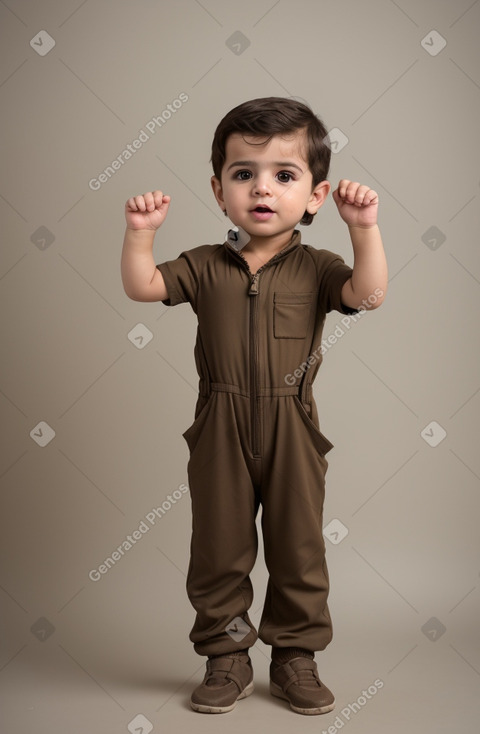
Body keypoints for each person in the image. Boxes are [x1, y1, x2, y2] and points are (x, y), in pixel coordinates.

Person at [121, 97, 388, 716]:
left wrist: (364, 229)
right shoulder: (203, 265)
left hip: (293, 423)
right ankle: (228, 652)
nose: (262, 188)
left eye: (283, 175)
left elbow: (369, 295)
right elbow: (143, 287)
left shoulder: (319, 267)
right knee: (220, 545)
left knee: (298, 546)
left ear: (316, 195)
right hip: (220, 422)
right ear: (219, 190)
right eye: (244, 174)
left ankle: (295, 655)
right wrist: (141, 236)